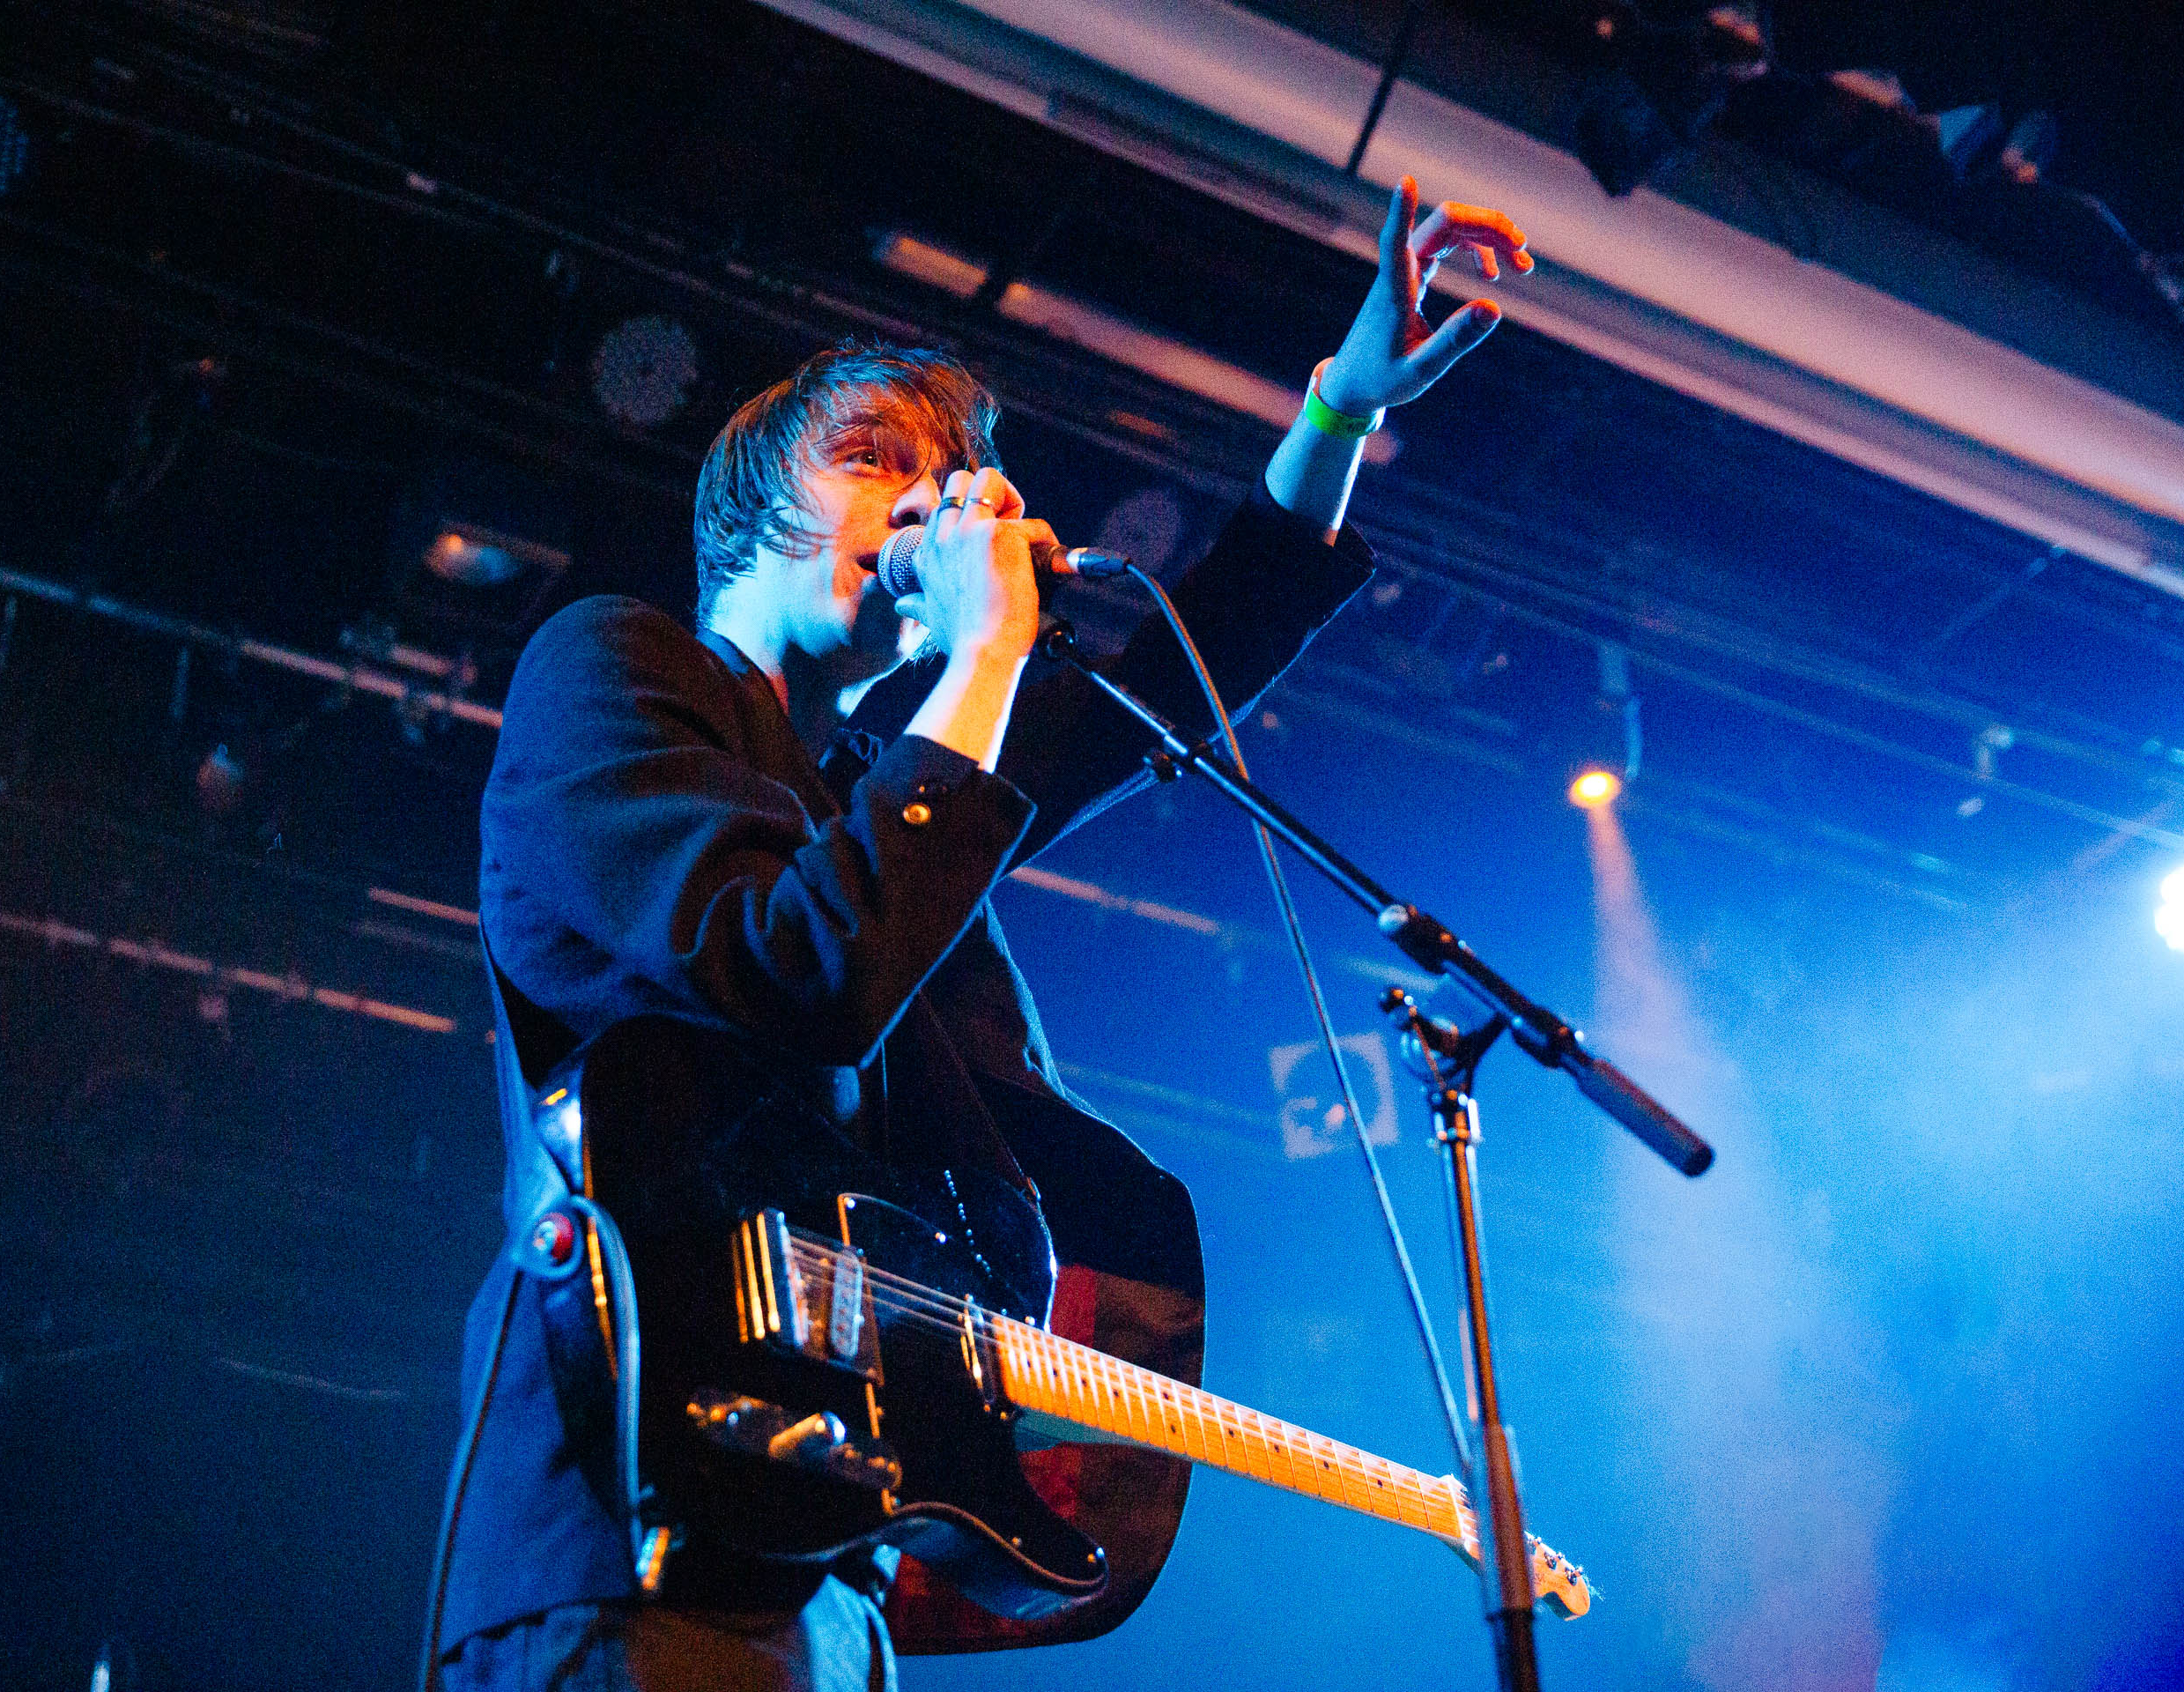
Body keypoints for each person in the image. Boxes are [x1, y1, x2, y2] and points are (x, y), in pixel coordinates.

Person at [433, 178, 1533, 1692]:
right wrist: (989, 659)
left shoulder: (871, 797)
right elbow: (798, 969)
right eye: (876, 460)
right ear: (754, 503)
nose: (930, 502)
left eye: (954, 477)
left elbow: (1180, 660)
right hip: (634, 1546)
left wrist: (1340, 410)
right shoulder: (617, 667)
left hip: (830, 1565)